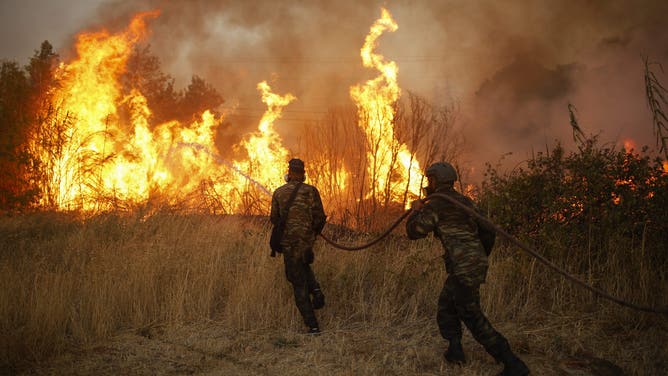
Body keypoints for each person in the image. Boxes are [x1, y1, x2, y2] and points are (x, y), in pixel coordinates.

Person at [406, 162, 530, 376]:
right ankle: (455, 351)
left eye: (430, 180)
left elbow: (415, 232)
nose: (428, 184)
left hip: (463, 267)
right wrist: (478, 257)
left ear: (434, 180)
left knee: (472, 315)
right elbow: (489, 232)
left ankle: (512, 362)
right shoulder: (466, 202)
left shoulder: (435, 204)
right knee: (446, 304)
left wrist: (415, 211)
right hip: (472, 264)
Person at [270, 158, 327, 335]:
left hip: (289, 244)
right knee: (303, 266)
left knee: (297, 283)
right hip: (306, 243)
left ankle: (313, 326)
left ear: (289, 173)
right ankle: (317, 291)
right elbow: (320, 217)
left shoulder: (279, 193)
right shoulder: (311, 191)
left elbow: (274, 219)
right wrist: (311, 235)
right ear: (303, 174)